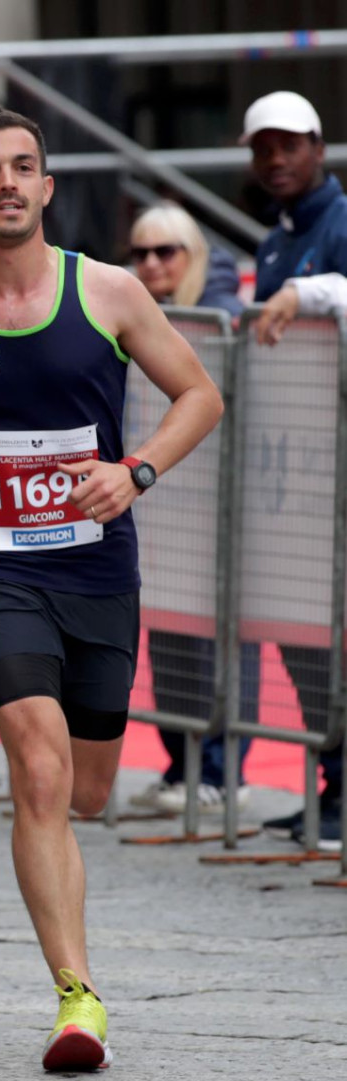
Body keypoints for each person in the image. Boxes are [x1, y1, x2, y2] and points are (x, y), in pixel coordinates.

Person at [0, 108, 223, 1071]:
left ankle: (75, 971)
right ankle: (77, 997)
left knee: (89, 791)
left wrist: (135, 471)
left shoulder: (107, 292)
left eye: (24, 167)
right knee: (38, 767)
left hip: (97, 568)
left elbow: (201, 395)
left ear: (48, 186)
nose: (8, 184)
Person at [240, 91, 347, 852]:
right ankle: (335, 784)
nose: (276, 159)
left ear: (318, 147)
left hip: (336, 471)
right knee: (305, 637)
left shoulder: (340, 223)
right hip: (298, 483)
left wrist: (309, 292)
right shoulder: (273, 241)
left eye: (289, 144)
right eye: (262, 147)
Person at [124, 202, 254, 814]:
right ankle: (183, 768)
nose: (151, 264)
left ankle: (223, 773)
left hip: (222, 509)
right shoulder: (140, 315)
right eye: (140, 253)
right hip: (166, 505)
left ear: (193, 254)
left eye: (165, 251)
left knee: (220, 645)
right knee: (170, 642)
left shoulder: (222, 317)